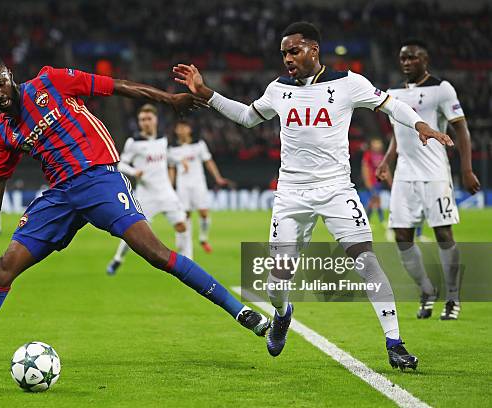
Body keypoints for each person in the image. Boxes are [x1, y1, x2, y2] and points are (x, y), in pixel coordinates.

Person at [0, 53, 269, 377]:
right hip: (59, 196)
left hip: (99, 180)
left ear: (10, 75)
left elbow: (117, 86)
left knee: (157, 254)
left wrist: (168, 99)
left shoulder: (51, 82)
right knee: (0, 270)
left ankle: (241, 312)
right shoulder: (4, 132)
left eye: (0, 83)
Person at [174, 21, 454, 370]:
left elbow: (391, 105)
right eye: (283, 53)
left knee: (367, 262)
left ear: (313, 49)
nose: (288, 58)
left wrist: (420, 124)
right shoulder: (278, 88)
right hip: (291, 194)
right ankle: (282, 313)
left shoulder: (348, 83)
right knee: (277, 283)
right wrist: (206, 93)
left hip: (337, 189)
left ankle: (395, 343)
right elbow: (247, 118)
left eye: (294, 51)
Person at [376, 39, 480, 321]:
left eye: (412, 57)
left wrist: (466, 169)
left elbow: (461, 130)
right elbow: (398, 134)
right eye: (403, 58)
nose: (406, 62)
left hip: (435, 173)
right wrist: (387, 160)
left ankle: (453, 297)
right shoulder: (393, 93)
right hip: (405, 175)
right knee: (401, 236)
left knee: (443, 233)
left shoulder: (442, 89)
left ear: (425, 59)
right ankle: (427, 289)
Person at [106, 104, 191, 275]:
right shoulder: (134, 142)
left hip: (166, 193)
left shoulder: (162, 139)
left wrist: (179, 160)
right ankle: (118, 259)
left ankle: (187, 263)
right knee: (134, 233)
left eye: (148, 119)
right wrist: (134, 171)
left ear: (155, 120)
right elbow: (121, 164)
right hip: (146, 196)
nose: (145, 122)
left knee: (182, 225)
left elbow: (167, 155)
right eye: (142, 120)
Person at [168, 120, 228, 253]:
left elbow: (208, 162)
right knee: (185, 215)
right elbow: (171, 168)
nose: (181, 130)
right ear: (176, 130)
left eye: (184, 126)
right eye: (179, 127)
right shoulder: (172, 149)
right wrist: (170, 186)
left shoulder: (199, 145)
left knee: (204, 213)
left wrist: (217, 178)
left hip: (198, 184)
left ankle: (203, 238)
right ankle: (183, 243)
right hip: (182, 185)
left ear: (189, 129)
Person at [361, 137, 393, 241]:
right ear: (372, 145)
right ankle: (367, 221)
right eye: (375, 143)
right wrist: (368, 182)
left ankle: (378, 219)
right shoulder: (368, 155)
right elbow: (365, 168)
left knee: (376, 200)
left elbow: (386, 170)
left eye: (379, 143)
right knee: (372, 201)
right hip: (371, 182)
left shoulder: (382, 156)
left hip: (378, 182)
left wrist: (390, 182)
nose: (378, 145)